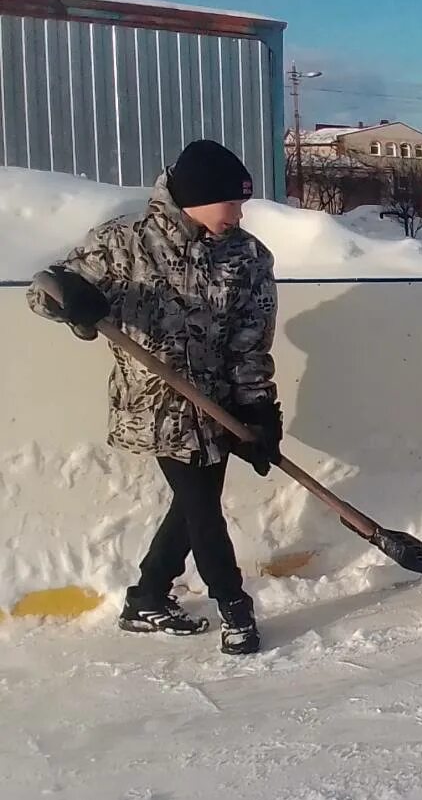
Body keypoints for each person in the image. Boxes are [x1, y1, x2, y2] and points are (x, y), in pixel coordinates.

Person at [27, 140, 279, 655]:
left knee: (192, 507)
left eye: (241, 204)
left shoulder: (247, 255)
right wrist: (72, 301)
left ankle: (147, 597)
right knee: (202, 506)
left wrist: (257, 409)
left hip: (218, 406)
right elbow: (45, 290)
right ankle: (234, 607)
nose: (238, 214)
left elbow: (251, 339)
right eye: (230, 202)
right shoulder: (124, 243)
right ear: (196, 198)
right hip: (156, 405)